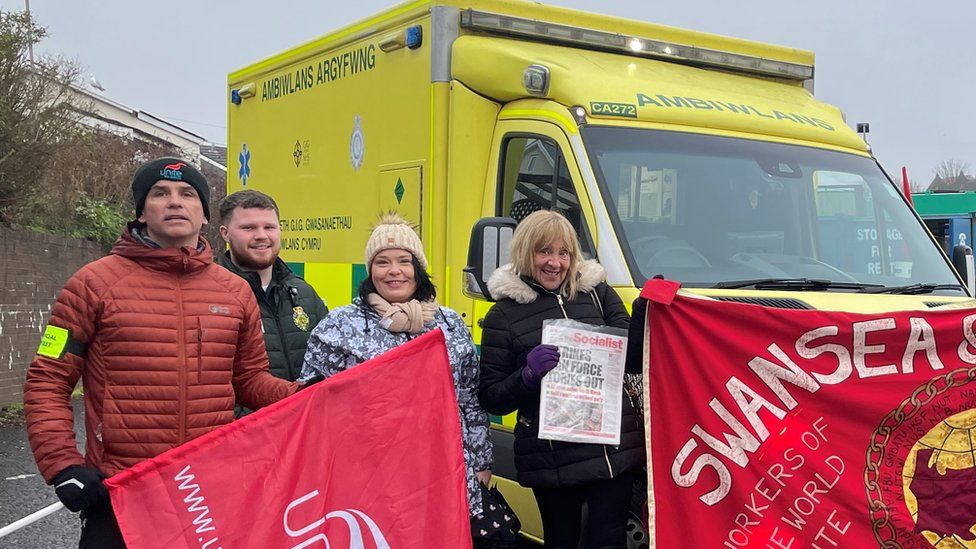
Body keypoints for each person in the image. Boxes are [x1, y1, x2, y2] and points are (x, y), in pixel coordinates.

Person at [23, 157, 299, 548]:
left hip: (210, 490)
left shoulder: (235, 291)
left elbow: (250, 381)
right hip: (123, 491)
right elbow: (48, 378)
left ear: (204, 215)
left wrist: (303, 393)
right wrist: (62, 465)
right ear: (141, 211)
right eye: (160, 193)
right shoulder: (91, 284)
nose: (175, 202)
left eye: (188, 194)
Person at [299, 213, 493, 516]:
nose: (394, 272)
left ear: (418, 268)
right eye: (382, 262)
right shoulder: (340, 325)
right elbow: (312, 404)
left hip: (442, 468)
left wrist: (480, 462)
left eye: (404, 261)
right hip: (367, 476)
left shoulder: (450, 324)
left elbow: (469, 399)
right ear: (370, 271)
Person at [478, 210, 645, 548]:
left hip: (611, 450)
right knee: (562, 541)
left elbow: (633, 360)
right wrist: (526, 376)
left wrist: (645, 311)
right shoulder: (503, 314)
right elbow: (492, 396)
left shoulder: (598, 293)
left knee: (608, 541)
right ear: (526, 253)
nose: (554, 262)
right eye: (544, 252)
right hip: (552, 456)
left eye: (563, 253)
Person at [216, 190, 328, 396]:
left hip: (302, 421)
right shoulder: (211, 295)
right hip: (247, 426)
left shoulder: (304, 293)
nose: (261, 235)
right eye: (248, 228)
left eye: (269, 227)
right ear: (225, 233)